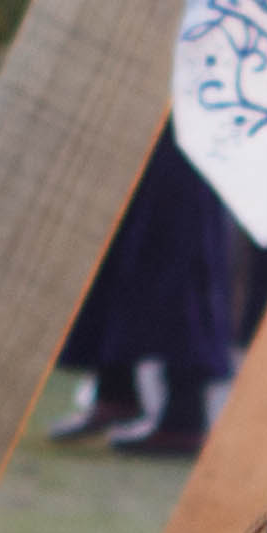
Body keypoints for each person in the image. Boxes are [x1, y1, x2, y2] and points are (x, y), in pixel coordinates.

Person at [51, 126, 236, 457]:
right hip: (150, 123)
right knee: (124, 234)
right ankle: (115, 390)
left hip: (195, 127)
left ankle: (183, 416)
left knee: (182, 245)